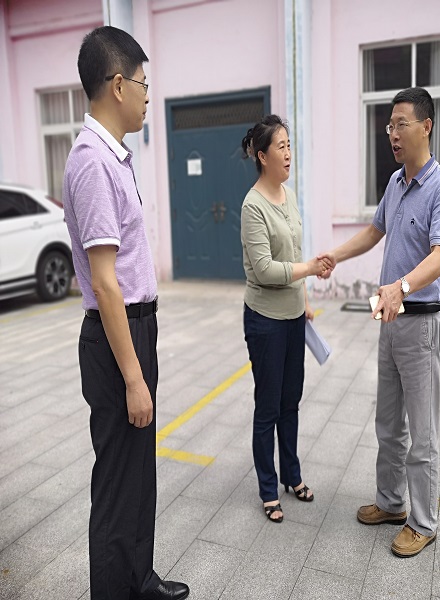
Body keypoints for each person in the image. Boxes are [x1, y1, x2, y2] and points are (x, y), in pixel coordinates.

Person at [63, 26, 189, 599]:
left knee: (139, 472)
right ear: (118, 85)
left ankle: (139, 579)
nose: (146, 95)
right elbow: (105, 283)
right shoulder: (92, 163)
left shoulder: (114, 157)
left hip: (136, 329)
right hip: (117, 339)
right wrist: (134, 379)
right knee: (118, 481)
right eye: (142, 84)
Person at [319, 87, 440, 557]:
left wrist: (402, 286)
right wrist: (334, 256)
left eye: (401, 124)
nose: (393, 134)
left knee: (423, 431)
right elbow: (374, 231)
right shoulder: (396, 183)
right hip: (389, 321)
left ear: (426, 126)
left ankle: (423, 522)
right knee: (388, 424)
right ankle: (391, 502)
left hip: (419, 325)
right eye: (389, 126)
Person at [240, 115, 330, 523]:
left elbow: (294, 252)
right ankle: (267, 488)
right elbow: (264, 269)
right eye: (281, 147)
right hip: (265, 321)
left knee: (290, 401)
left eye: (289, 145)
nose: (289, 154)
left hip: (294, 318)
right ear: (262, 156)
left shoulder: (289, 196)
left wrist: (305, 298)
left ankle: (292, 475)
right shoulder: (252, 206)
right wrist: (309, 269)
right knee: (268, 406)